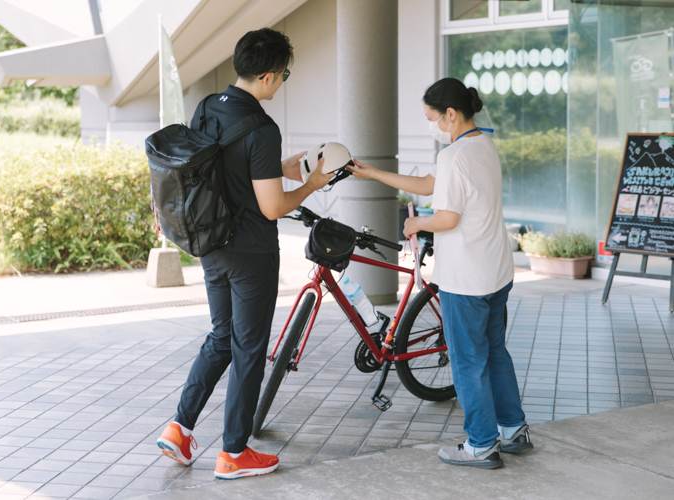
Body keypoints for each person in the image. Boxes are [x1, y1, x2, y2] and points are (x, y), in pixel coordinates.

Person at [155, 28, 333, 479]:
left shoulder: (209, 107)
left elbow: (220, 167)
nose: (283, 81)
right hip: (251, 253)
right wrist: (309, 185)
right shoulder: (263, 128)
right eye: (286, 74)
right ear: (270, 76)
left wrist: (279, 167)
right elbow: (272, 206)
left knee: (221, 337)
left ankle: (179, 427)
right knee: (249, 348)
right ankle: (234, 452)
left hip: (210, 244)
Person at [347, 77, 531, 469]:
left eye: (433, 118)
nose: (431, 126)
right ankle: (513, 430)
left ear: (450, 114)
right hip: (497, 270)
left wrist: (415, 225)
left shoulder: (455, 155)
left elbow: (446, 216)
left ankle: (481, 444)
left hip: (467, 277)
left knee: (468, 361)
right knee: (494, 352)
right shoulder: (482, 145)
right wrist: (376, 174)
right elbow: (433, 186)